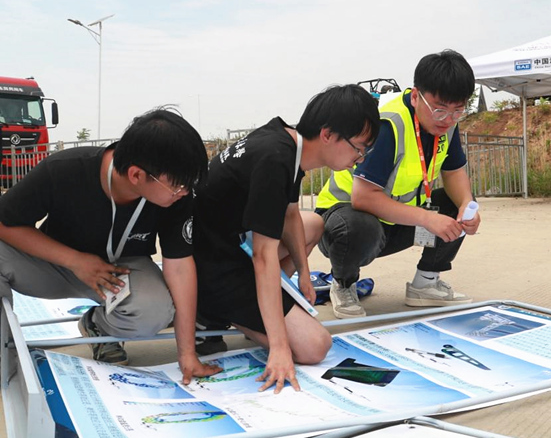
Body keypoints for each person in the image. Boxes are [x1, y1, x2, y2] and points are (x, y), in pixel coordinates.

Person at [0, 108, 221, 384]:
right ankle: (4, 353)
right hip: (54, 263)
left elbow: (179, 267)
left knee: (154, 312)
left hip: (119, 271)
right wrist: (75, 261)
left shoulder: (177, 197)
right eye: (177, 187)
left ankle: (95, 326)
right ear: (137, 175)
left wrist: (187, 354)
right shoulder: (64, 170)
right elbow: (4, 223)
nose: (184, 193)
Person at [193, 84, 380, 393]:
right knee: (315, 347)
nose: (360, 158)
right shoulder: (275, 160)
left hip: (229, 241)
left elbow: (291, 214)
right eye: (359, 147)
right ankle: (220, 313)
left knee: (313, 223)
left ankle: (263, 310)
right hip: (213, 265)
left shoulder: (286, 143)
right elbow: (264, 256)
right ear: (328, 134)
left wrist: (304, 275)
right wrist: (279, 347)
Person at [316, 49, 481, 319]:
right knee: (359, 226)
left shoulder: (447, 125)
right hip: (344, 220)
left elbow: (453, 172)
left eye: (458, 111)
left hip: (395, 220)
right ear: (416, 96)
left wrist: (465, 205)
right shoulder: (387, 124)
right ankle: (343, 284)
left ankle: (425, 284)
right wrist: (427, 218)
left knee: (456, 205)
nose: (448, 120)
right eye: (440, 110)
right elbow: (363, 198)